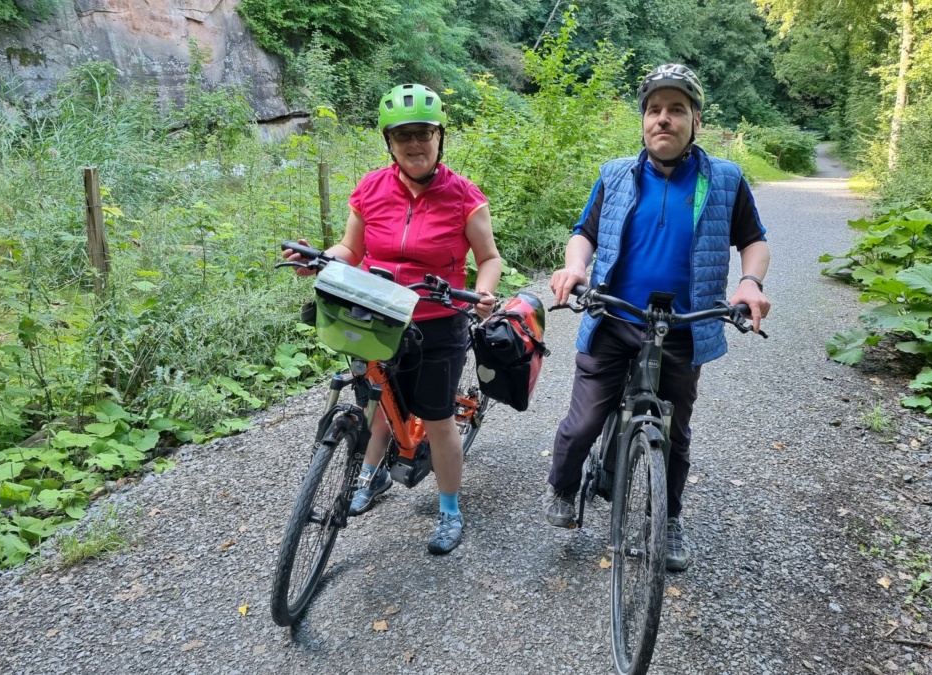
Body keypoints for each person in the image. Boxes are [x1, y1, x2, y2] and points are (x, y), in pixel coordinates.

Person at [545, 64, 771, 572]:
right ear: (643, 120)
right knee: (583, 422)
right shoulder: (616, 174)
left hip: (684, 326)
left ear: (695, 120)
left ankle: (668, 519)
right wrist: (574, 266)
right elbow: (584, 232)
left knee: (676, 432)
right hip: (613, 317)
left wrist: (749, 282)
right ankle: (562, 487)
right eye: (653, 110)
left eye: (675, 110)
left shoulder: (726, 180)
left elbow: (754, 241)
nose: (662, 120)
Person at [284, 83, 501, 555]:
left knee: (438, 419)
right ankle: (368, 475)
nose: (415, 144)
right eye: (404, 136)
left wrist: (483, 291)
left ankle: (449, 510)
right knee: (379, 400)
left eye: (424, 133)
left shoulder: (464, 196)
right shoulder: (370, 189)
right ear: (390, 142)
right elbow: (352, 249)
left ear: (440, 137)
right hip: (377, 314)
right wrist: (320, 258)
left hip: (438, 319)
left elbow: (488, 257)